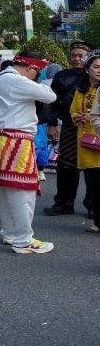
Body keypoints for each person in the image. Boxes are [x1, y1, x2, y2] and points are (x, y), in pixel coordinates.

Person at [0, 52, 56, 254]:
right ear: (30, 68)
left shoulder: (1, 77)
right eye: (37, 72)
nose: (37, 76)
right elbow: (50, 96)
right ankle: (23, 239)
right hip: (15, 140)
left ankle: (10, 233)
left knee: (5, 188)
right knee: (22, 189)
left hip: (0, 138)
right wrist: (43, 85)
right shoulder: (15, 80)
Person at [43, 40, 93, 216]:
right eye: (73, 55)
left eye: (81, 56)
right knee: (66, 166)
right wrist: (51, 124)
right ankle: (64, 203)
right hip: (70, 128)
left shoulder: (96, 76)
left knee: (93, 168)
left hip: (93, 128)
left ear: (89, 57)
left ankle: (94, 206)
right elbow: (52, 103)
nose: (76, 59)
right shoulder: (61, 77)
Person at [70, 50, 100, 233]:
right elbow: (72, 110)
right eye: (96, 67)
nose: (99, 71)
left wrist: (92, 116)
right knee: (93, 183)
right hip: (87, 142)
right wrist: (78, 117)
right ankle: (97, 219)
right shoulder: (80, 90)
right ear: (87, 69)